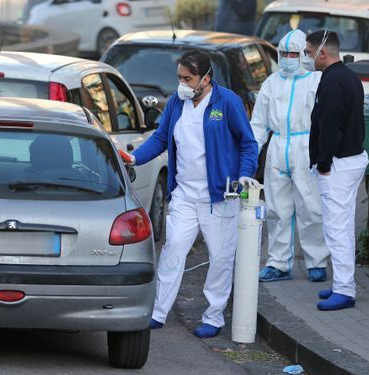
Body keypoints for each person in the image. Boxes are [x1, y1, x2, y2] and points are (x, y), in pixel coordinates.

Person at [125, 50, 258, 338]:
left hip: (220, 197)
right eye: (179, 78)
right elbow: (161, 137)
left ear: (206, 78)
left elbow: (248, 144)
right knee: (173, 250)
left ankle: (214, 316)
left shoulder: (228, 103)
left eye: (188, 78)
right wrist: (135, 158)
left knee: (220, 258)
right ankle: (158, 312)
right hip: (184, 194)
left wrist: (244, 176)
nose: (181, 84)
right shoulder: (176, 102)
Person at [251, 29, 330, 283]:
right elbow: (259, 123)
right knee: (277, 208)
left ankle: (316, 261)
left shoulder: (316, 80)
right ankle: (278, 263)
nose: (286, 58)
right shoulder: (271, 83)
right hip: (278, 145)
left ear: (303, 54)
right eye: (283, 53)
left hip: (305, 145)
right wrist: (253, 151)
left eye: (292, 53)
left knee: (311, 207)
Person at [303, 30, 368, 310]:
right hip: (351, 160)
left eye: (308, 52)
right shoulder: (348, 77)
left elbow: (330, 126)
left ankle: (344, 289)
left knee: (336, 228)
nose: (307, 57)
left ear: (323, 53)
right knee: (340, 225)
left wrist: (324, 163)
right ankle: (343, 282)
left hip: (338, 165)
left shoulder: (331, 82)